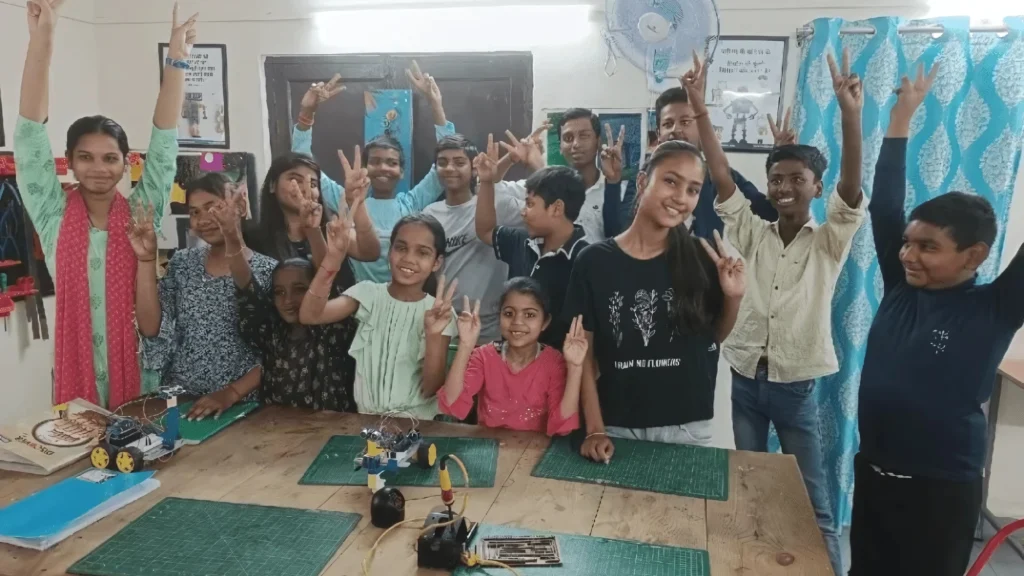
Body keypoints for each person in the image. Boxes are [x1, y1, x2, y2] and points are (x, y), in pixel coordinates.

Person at [688, 51, 863, 576]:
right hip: (745, 379)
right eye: (776, 178)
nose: (784, 187)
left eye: (797, 179)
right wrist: (700, 108)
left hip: (796, 387)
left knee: (813, 500)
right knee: (752, 486)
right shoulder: (751, 232)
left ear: (816, 186)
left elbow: (852, 187)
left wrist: (849, 114)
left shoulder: (829, 239)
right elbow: (720, 175)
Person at [851, 62, 1024, 576]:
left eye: (928, 247)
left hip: (941, 490)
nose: (908, 254)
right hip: (875, 473)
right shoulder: (901, 287)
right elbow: (884, 204)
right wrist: (901, 117)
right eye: (908, 242)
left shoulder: (995, 308)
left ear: (973, 256)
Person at [13, 0, 192, 409]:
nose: (98, 168)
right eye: (86, 157)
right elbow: (29, 135)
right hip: (76, 374)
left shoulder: (140, 214)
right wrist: (44, 36)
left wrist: (177, 61)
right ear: (71, 162)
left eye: (110, 158)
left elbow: (163, 144)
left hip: (140, 375)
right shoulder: (52, 213)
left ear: (125, 163)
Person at [562, 140, 745, 462]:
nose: (680, 197)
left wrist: (733, 297)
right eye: (671, 181)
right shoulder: (593, 262)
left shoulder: (703, 257)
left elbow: (712, 337)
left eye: (692, 189)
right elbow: (584, 356)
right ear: (643, 181)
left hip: (687, 425)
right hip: (616, 424)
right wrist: (594, 428)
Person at [291, 62, 456, 282]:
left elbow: (446, 163)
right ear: (365, 169)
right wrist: (306, 113)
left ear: (401, 172)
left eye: (391, 163)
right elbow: (303, 164)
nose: (383, 168)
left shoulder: (411, 203)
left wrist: (436, 105)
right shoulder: (347, 200)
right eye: (375, 161)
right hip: (360, 303)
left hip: (404, 299)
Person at [135, 174, 276, 421]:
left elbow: (280, 351)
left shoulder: (270, 271)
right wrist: (146, 260)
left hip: (241, 404)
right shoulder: (182, 263)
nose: (203, 219)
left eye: (214, 207)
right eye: (195, 212)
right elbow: (150, 328)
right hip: (183, 399)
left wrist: (230, 393)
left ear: (241, 207)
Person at [299, 214, 458, 419]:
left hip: (418, 427)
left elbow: (430, 389)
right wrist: (333, 259)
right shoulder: (368, 294)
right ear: (389, 252)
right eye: (401, 248)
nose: (409, 258)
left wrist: (434, 335)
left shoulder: (440, 312)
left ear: (437, 262)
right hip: (367, 423)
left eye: (423, 253)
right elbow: (310, 315)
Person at [474, 137, 588, 349]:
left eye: (530, 204)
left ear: (556, 208)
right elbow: (485, 230)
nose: (523, 212)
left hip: (560, 370)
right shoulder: (522, 241)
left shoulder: (586, 259)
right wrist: (487, 182)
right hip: (514, 364)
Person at [439, 277, 585, 436]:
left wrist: (575, 367)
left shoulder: (554, 362)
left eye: (529, 315)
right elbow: (452, 404)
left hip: (533, 448)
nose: (517, 322)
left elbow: (563, 428)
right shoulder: (484, 356)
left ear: (545, 322)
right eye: (509, 313)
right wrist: (465, 345)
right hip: (488, 446)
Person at [422, 135, 525, 343]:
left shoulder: (496, 204)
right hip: (447, 323)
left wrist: (520, 160)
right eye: (442, 163)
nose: (449, 168)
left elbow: (541, 212)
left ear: (473, 167)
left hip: (494, 328)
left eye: (459, 162)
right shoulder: (429, 214)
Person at [649, 79, 777, 239]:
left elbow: (769, 213)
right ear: (659, 133)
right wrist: (614, 182)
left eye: (685, 122)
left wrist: (779, 165)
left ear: (700, 128)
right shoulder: (645, 178)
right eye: (668, 124)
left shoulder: (720, 177)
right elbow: (618, 230)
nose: (676, 129)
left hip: (709, 263)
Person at [494, 111, 631, 242]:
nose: (576, 144)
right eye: (568, 138)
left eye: (584, 136)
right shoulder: (536, 187)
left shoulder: (619, 190)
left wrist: (542, 170)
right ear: (560, 146)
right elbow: (489, 192)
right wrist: (511, 158)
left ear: (598, 142)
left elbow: (618, 236)